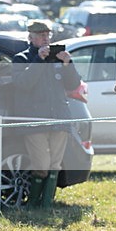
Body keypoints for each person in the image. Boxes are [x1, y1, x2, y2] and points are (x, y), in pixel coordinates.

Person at [11, 20, 81, 208]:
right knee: (41, 165)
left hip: (59, 118)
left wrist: (68, 64)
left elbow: (73, 85)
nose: (45, 38)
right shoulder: (22, 59)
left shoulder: (57, 58)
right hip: (34, 121)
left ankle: (46, 205)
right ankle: (33, 203)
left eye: (47, 35)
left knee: (55, 165)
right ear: (30, 37)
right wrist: (38, 61)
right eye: (41, 35)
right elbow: (22, 84)